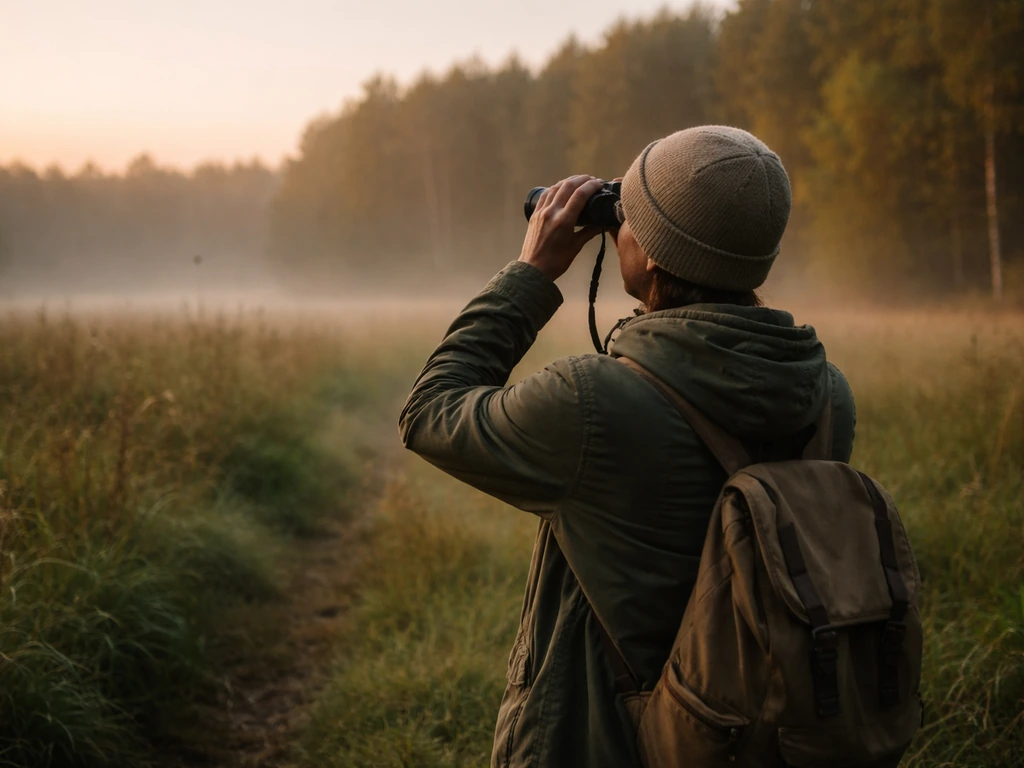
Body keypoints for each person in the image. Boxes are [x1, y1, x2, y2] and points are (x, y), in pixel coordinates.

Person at [398, 126, 856, 768]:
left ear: (654, 254)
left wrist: (531, 273)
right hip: (758, 733)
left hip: (601, 739)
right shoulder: (828, 395)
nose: (618, 231)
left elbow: (428, 412)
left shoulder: (593, 402)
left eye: (628, 216)